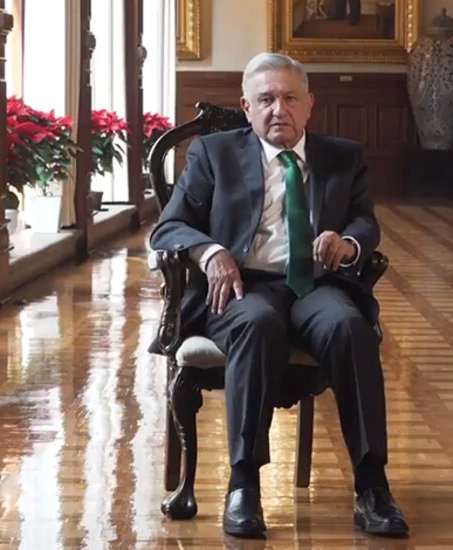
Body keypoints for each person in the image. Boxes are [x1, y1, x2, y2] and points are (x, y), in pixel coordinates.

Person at [150, 52, 408, 539]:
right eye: (266, 99)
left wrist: (347, 242)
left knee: (350, 328)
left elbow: (364, 220)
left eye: (290, 98)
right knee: (258, 324)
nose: (279, 110)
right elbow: (169, 227)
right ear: (247, 107)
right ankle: (243, 485)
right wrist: (211, 253)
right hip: (242, 287)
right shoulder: (214, 154)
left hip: (316, 285)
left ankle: (372, 485)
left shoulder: (343, 155)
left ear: (309, 105)